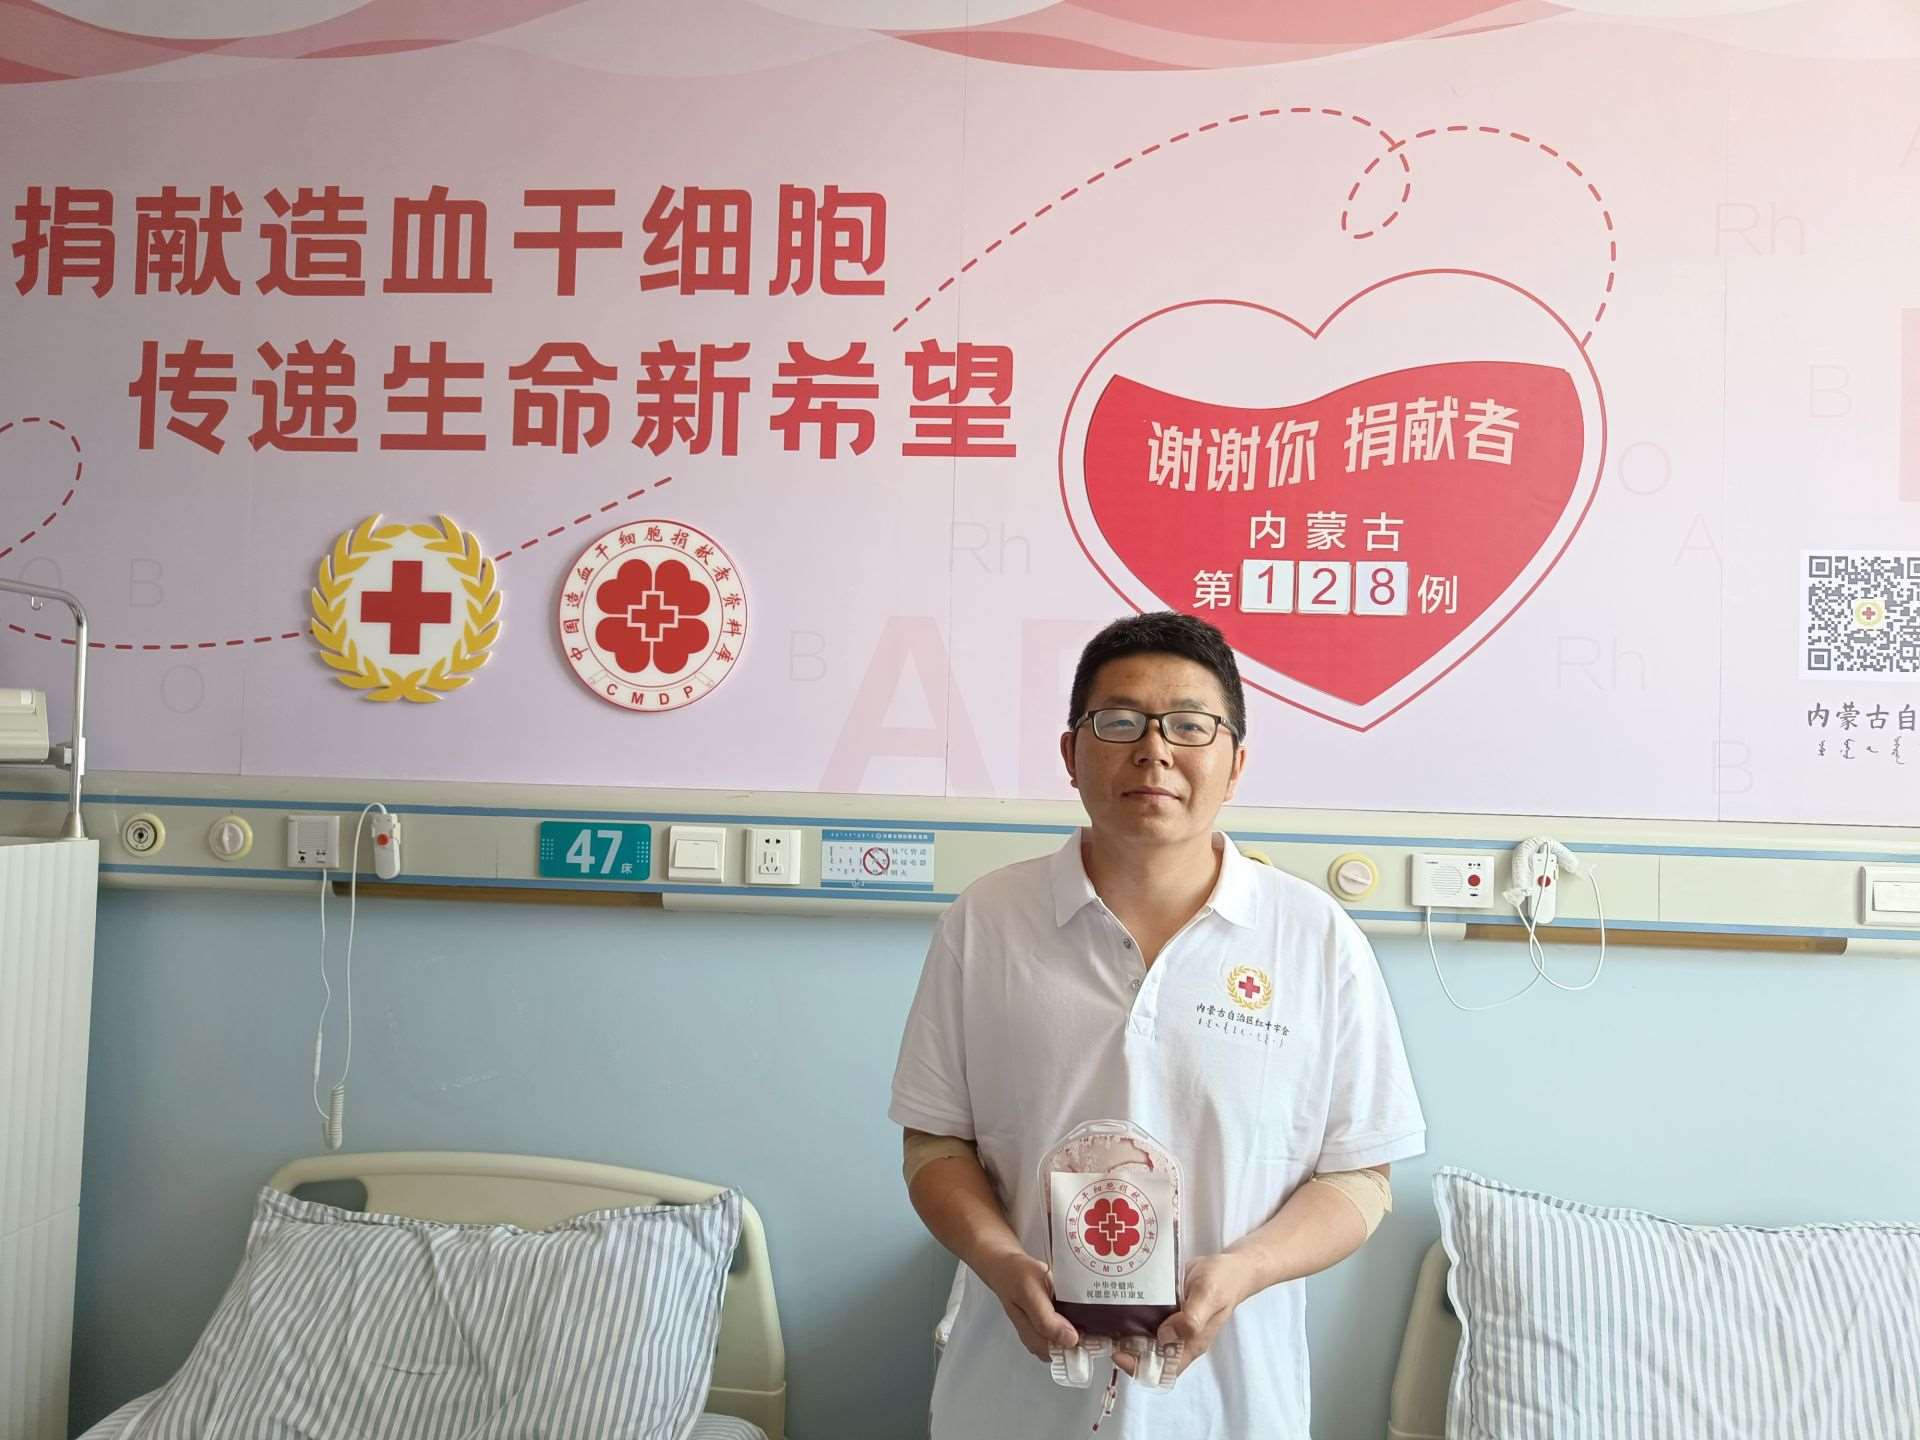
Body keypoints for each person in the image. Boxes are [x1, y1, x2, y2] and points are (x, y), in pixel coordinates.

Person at [889, 611, 1426, 1438]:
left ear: (1235, 762)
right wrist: (999, 1261)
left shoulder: (1315, 939)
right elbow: (935, 1145)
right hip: (1014, 1397)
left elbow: (1359, 1178)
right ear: (1071, 753)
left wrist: (1244, 1271)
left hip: (1230, 1404)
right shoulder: (986, 922)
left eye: (1190, 725)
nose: (1154, 750)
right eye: (1120, 721)